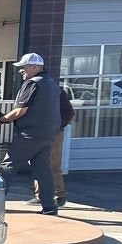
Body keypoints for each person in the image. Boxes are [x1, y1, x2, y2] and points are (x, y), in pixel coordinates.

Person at [0, 52, 61, 215]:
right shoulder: (51, 84)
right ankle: (50, 207)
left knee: (7, 166)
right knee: (42, 170)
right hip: (47, 134)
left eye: (24, 67)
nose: (20, 70)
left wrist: (1, 120)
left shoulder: (33, 83)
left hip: (29, 134)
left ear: (35, 67)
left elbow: (20, 110)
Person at [35, 82, 74, 210]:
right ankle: (40, 195)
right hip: (36, 132)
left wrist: (57, 126)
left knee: (52, 164)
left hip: (54, 133)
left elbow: (69, 112)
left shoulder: (57, 92)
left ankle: (59, 195)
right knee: (37, 163)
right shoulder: (33, 90)